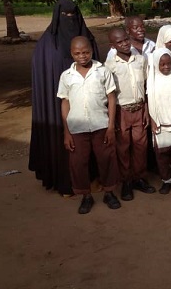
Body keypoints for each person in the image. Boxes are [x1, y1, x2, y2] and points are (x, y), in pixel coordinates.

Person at [29, 0, 100, 196]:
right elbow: (42, 74)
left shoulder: (88, 38)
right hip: (59, 104)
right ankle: (64, 182)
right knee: (62, 140)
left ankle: (91, 178)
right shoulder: (47, 44)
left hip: (88, 102)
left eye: (73, 15)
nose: (70, 20)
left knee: (90, 141)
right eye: (65, 16)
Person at [58, 36, 120, 214]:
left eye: (85, 52)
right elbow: (65, 102)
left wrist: (110, 127)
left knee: (106, 159)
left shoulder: (102, 71)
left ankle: (109, 192)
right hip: (77, 127)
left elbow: (111, 98)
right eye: (77, 53)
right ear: (71, 54)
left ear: (91, 51)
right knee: (78, 163)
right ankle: (86, 196)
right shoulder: (66, 76)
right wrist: (66, 132)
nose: (82, 56)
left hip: (101, 124)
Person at [105, 28, 155, 201]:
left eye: (126, 40)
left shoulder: (141, 60)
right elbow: (109, 94)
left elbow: (147, 87)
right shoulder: (110, 66)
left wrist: (147, 110)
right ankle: (126, 182)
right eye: (119, 42)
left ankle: (139, 178)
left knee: (141, 146)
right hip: (122, 111)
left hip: (139, 108)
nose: (125, 43)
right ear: (112, 45)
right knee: (123, 148)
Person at [147, 48, 171, 195]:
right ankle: (166, 180)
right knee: (162, 154)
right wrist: (152, 120)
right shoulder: (153, 79)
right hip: (160, 122)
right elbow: (150, 101)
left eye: (168, 63)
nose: (166, 67)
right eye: (162, 64)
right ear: (157, 64)